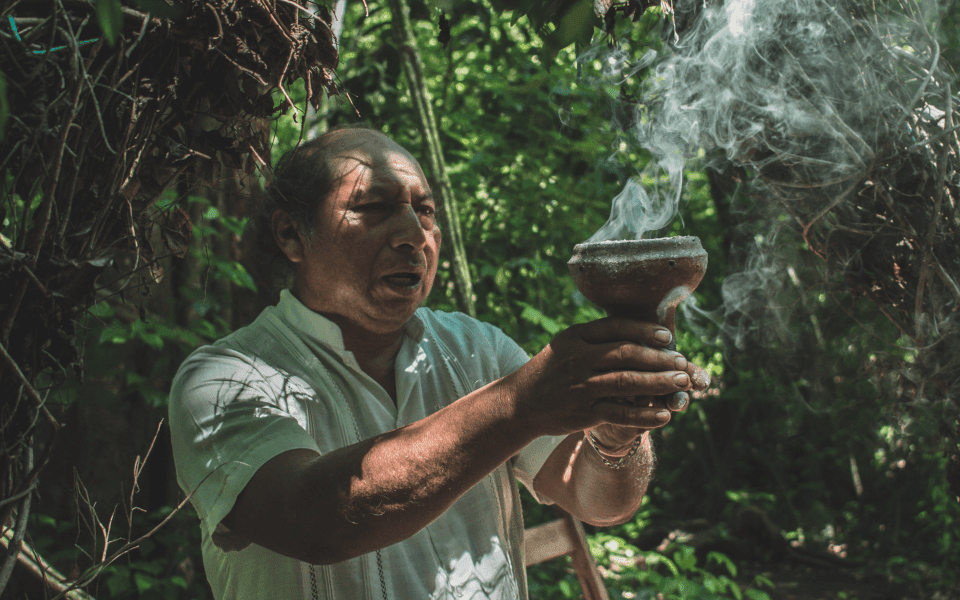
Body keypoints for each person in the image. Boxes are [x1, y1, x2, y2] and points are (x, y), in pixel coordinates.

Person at [168, 126, 709, 600]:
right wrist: (524, 404)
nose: (413, 237)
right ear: (291, 235)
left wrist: (614, 436)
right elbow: (314, 522)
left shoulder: (476, 348)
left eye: (424, 211)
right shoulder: (223, 379)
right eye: (372, 208)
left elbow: (598, 500)